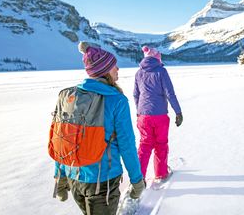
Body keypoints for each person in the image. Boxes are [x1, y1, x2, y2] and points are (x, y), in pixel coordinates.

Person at [54, 41, 145, 215]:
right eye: (113, 66)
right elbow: (127, 144)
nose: (117, 69)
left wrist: (60, 176)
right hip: (104, 182)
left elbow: (62, 139)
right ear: (104, 70)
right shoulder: (117, 100)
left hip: (75, 178)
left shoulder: (68, 96)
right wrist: (136, 180)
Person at [133, 45, 183, 181]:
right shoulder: (162, 71)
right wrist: (178, 112)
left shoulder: (139, 73)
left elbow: (136, 95)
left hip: (143, 116)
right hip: (160, 115)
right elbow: (170, 94)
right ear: (157, 58)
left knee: (144, 145)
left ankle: (138, 177)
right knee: (160, 144)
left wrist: (139, 112)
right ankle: (161, 174)